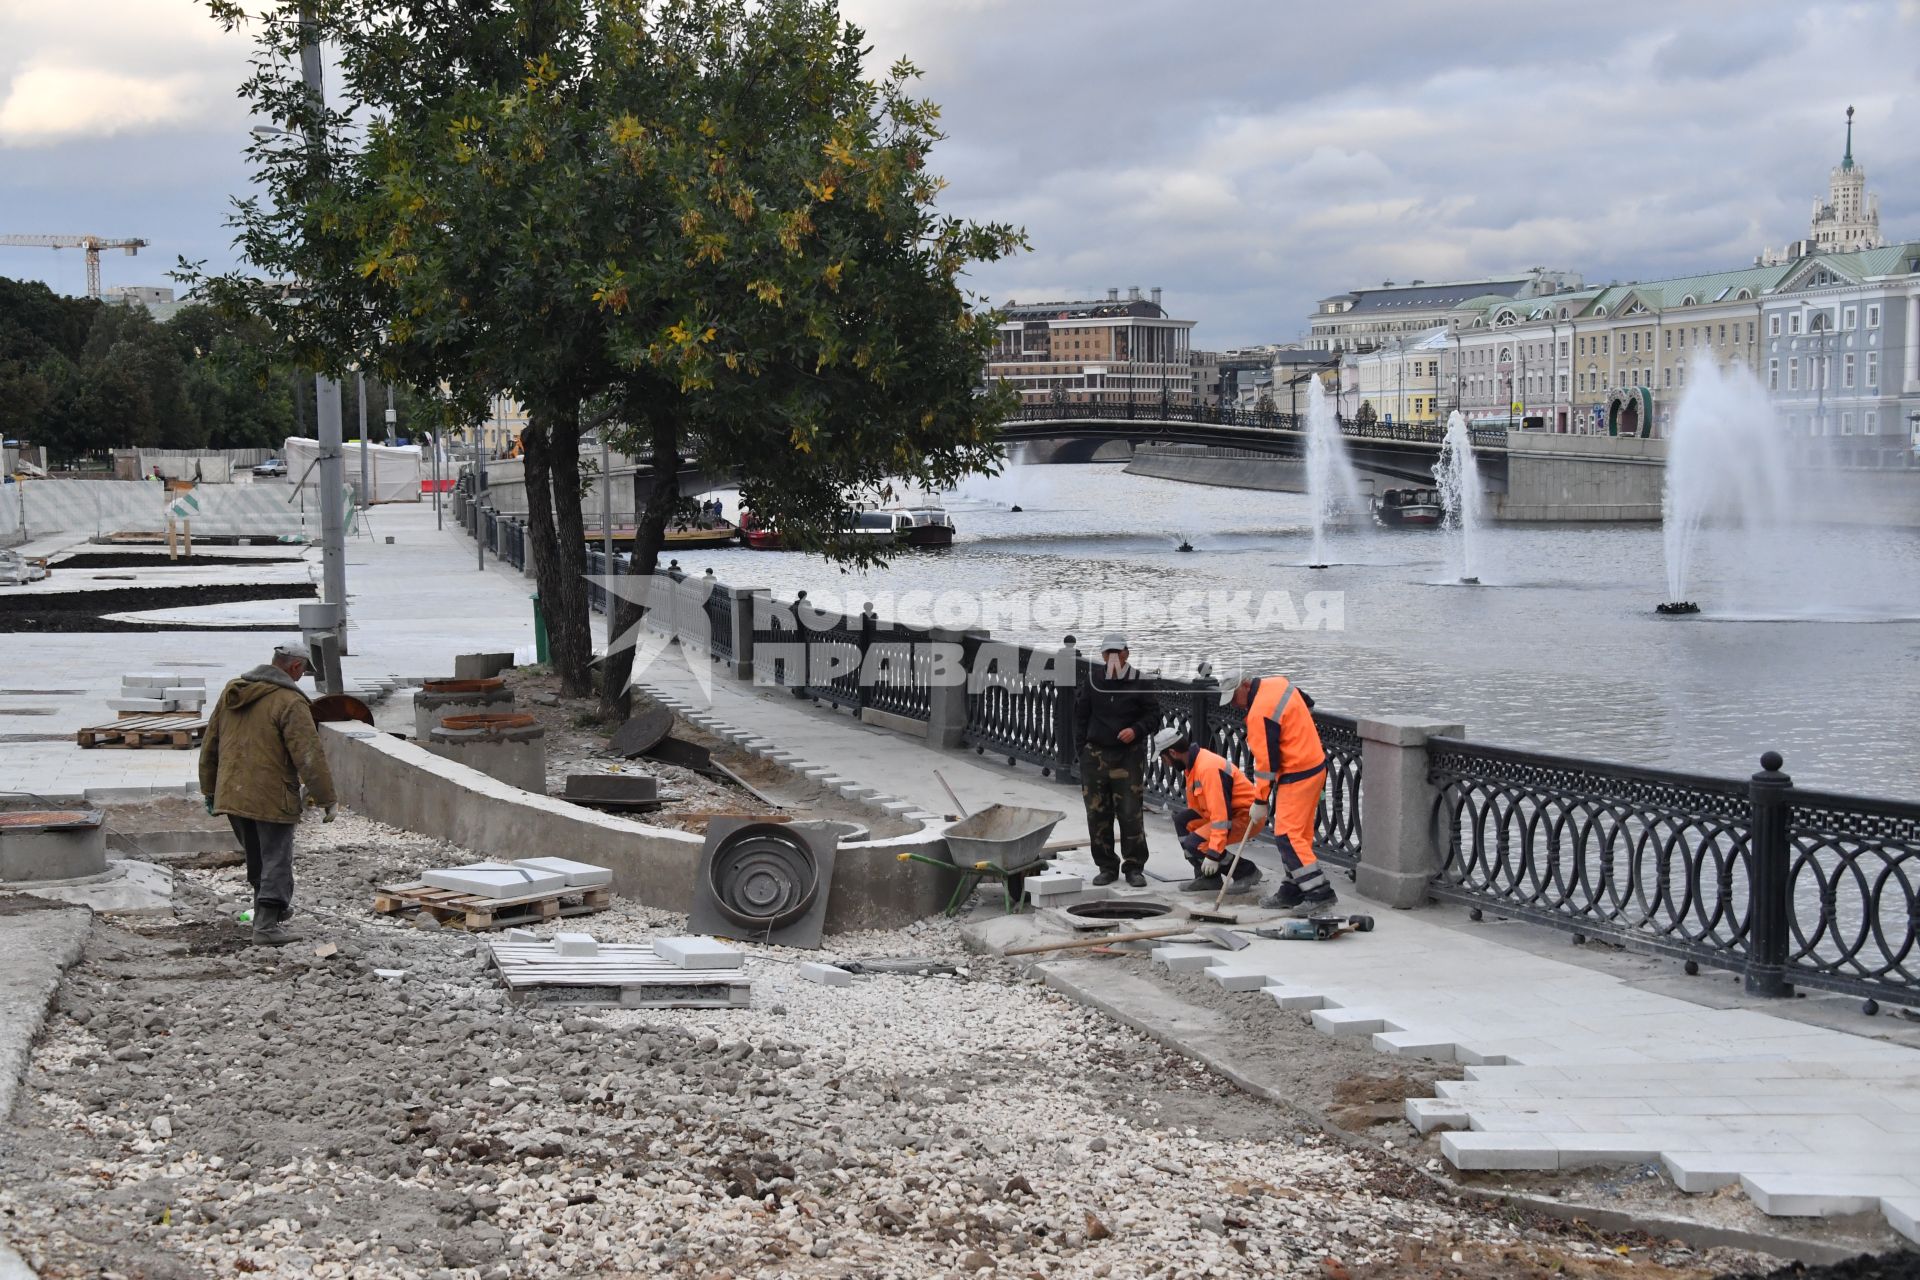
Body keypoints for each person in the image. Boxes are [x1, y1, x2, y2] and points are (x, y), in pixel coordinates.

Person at [198, 641, 338, 945]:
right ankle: (265, 927)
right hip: (271, 796)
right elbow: (309, 755)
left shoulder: (233, 691)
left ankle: (269, 916)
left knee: (257, 858)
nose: (301, 678)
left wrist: (209, 789)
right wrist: (327, 798)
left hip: (231, 793)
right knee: (276, 858)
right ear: (295, 666)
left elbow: (211, 741)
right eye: (303, 672)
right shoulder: (289, 701)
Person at [1225, 673, 1338, 916]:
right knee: (1300, 835)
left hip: (1297, 773)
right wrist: (1298, 733)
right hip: (1314, 764)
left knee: (1287, 836)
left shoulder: (1259, 713)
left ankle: (1319, 893)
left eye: (1234, 697)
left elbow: (1266, 764)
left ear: (1245, 685)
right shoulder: (1278, 683)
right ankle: (1292, 889)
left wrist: (1260, 800)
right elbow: (1307, 704)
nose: (1235, 704)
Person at [1073, 632, 1157, 888]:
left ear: (1125, 654)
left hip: (1128, 757)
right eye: (1107, 654)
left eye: (1116, 654)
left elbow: (1154, 715)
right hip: (1095, 755)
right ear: (1102, 656)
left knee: (1130, 813)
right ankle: (1106, 865)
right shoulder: (1093, 680)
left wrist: (1137, 729)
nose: (1111, 658)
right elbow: (1080, 716)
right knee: (1097, 813)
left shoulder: (1140, 682)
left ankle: (1134, 867)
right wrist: (1083, 751)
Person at [1149, 728, 1263, 894]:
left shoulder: (1208, 769)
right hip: (1226, 814)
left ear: (1173, 753)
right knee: (1182, 821)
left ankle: (1246, 871)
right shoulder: (1193, 764)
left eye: (1164, 758)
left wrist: (1213, 855)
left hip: (1245, 817)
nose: (1166, 763)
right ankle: (1209, 878)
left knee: (1195, 843)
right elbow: (1203, 809)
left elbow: (1221, 817)